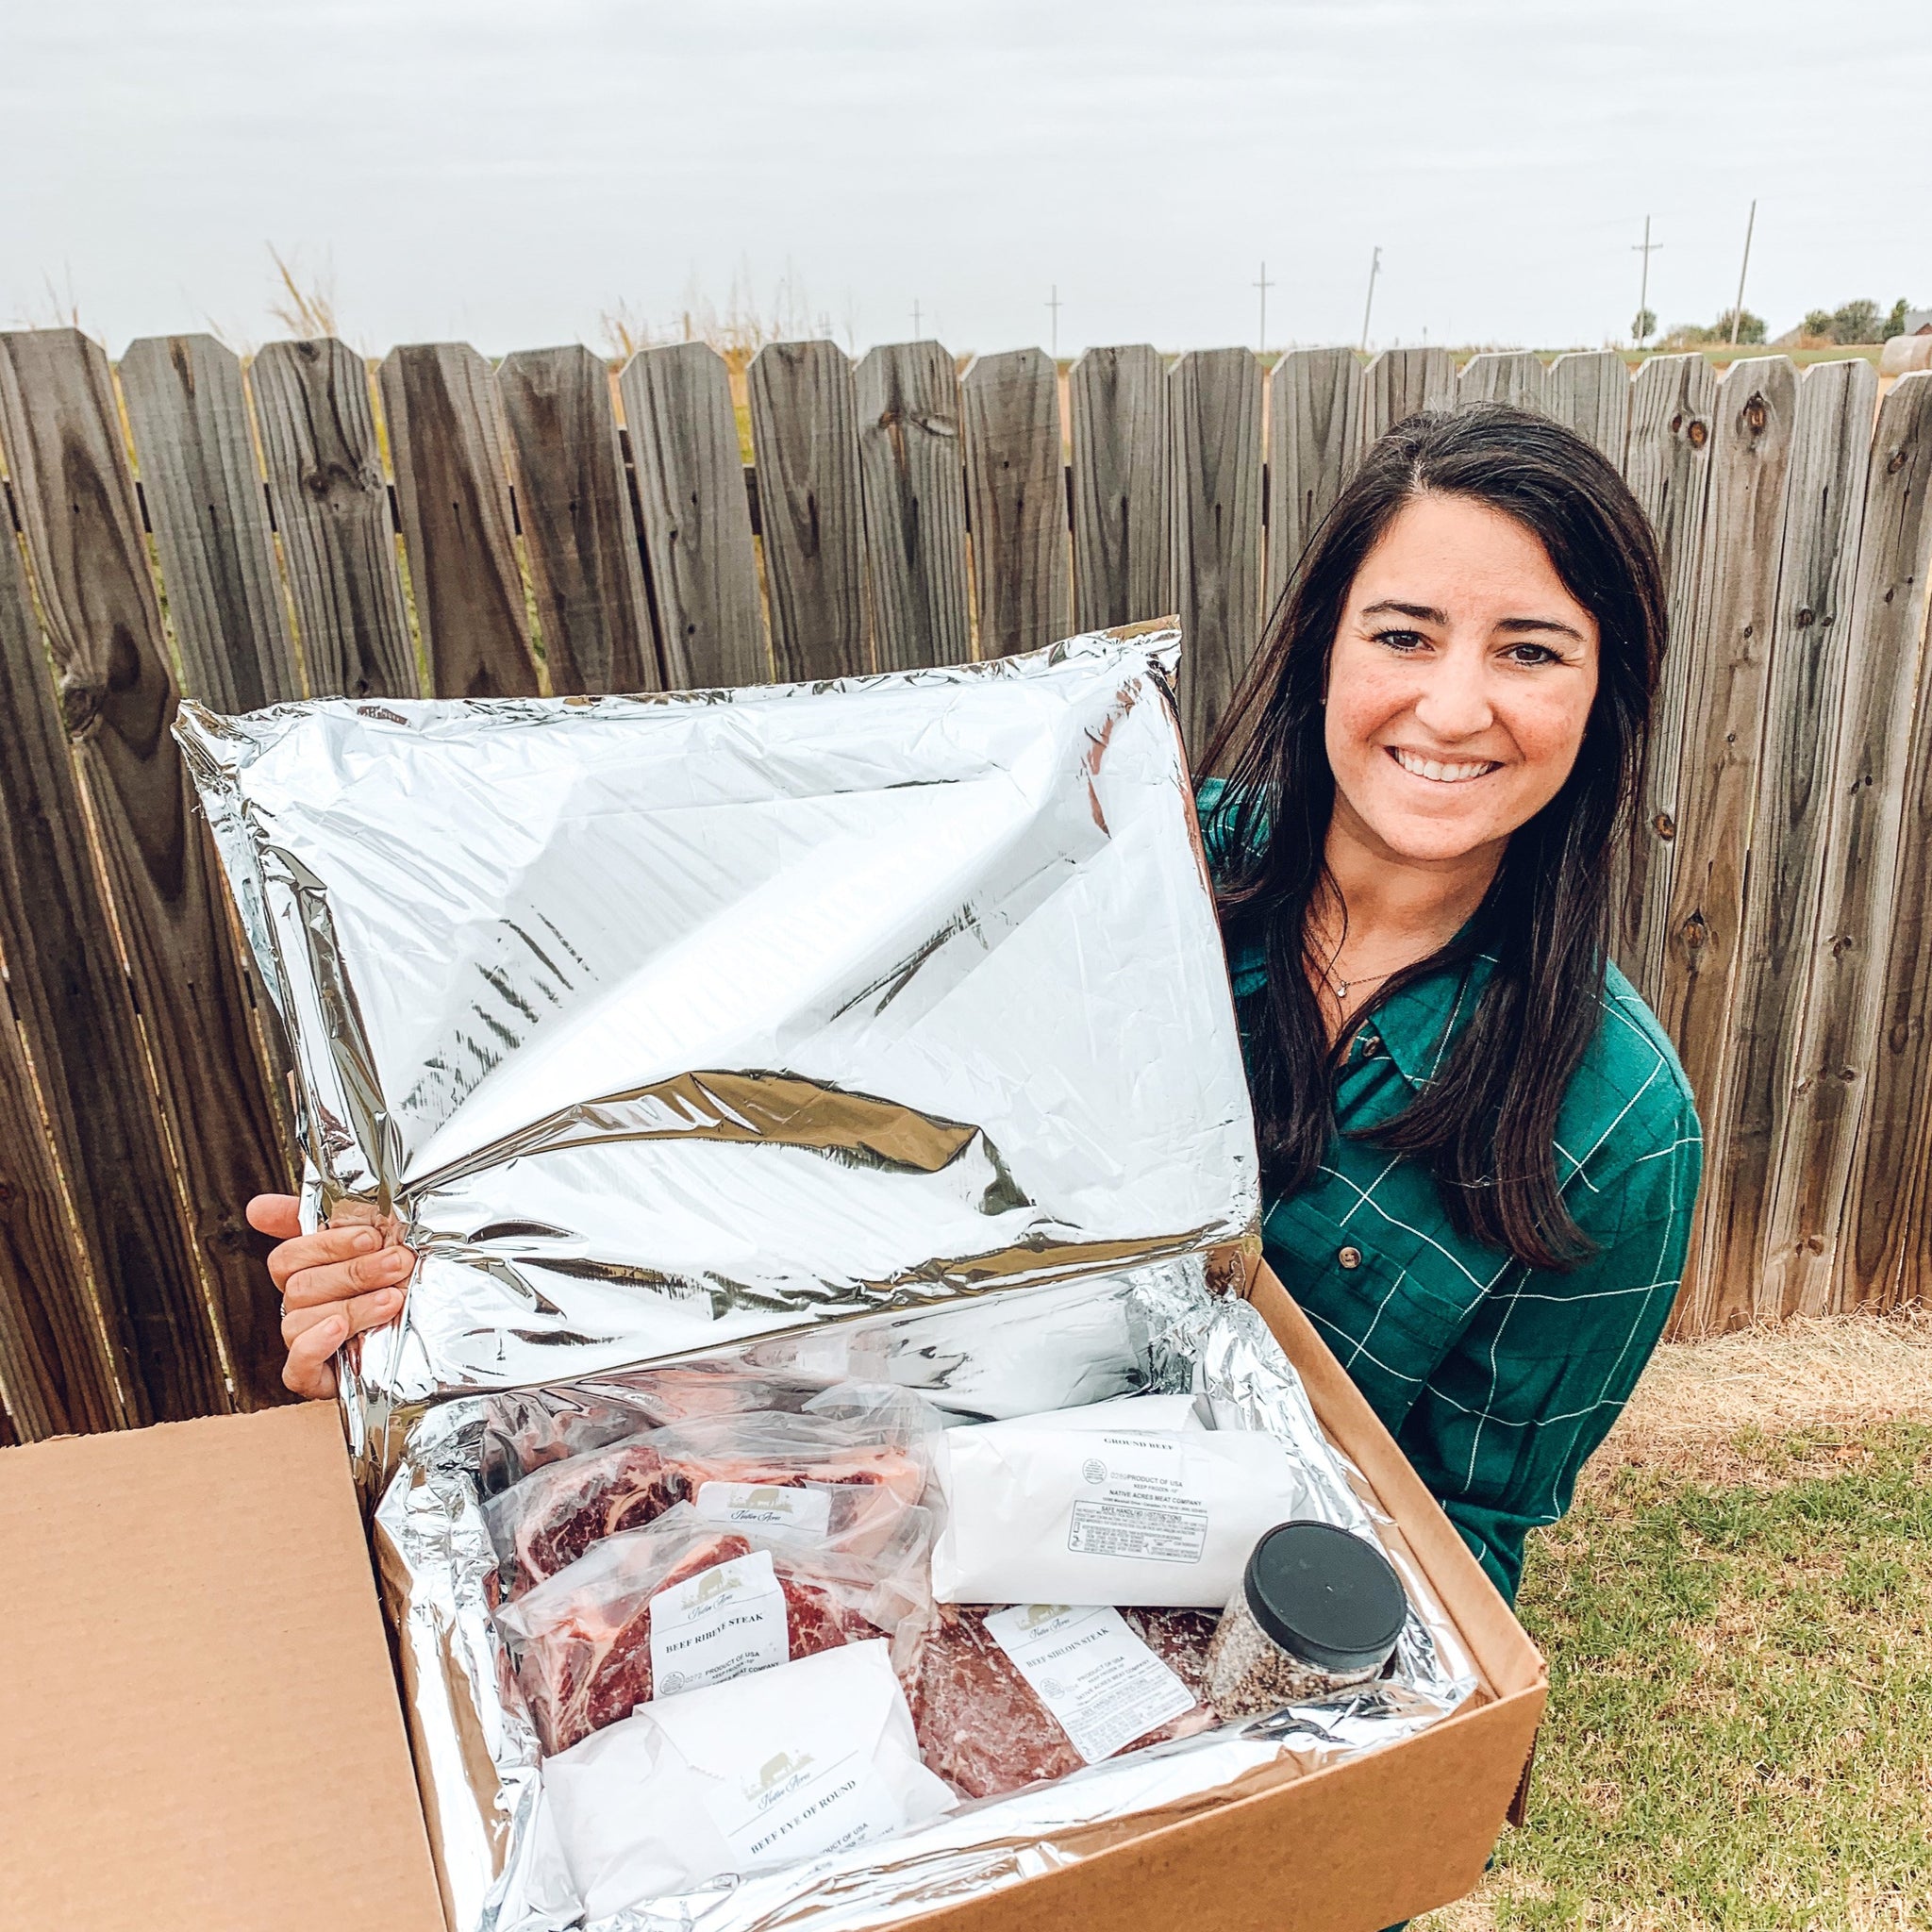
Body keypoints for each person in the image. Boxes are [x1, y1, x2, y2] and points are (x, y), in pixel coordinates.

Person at [247, 401, 1699, 1609]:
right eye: (1404, 634)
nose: (1453, 706)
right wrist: (440, 1288)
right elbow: (770, 1141)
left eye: (1530, 649)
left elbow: (1464, 1533)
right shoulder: (1116, 868)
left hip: (1216, 1645)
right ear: (1328, 643)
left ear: (1605, 694)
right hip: (865, 1553)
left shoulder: (1615, 1129)